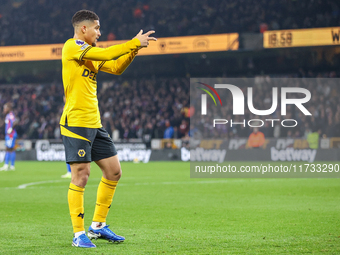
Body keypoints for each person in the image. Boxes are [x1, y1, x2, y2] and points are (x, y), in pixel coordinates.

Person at [60, 10, 156, 248]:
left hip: (95, 123)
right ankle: (78, 234)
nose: (100, 33)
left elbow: (115, 67)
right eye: (97, 28)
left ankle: (98, 226)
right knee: (81, 175)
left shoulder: (90, 54)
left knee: (113, 171)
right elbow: (107, 53)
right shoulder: (72, 47)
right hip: (76, 122)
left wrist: (134, 50)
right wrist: (133, 42)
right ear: (84, 29)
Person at [0, 103, 17, 171]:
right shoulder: (7, 115)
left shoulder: (10, 115)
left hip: (11, 135)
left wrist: (11, 129)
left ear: (9, 108)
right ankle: (11, 165)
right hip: (9, 135)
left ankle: (7, 165)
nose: (4, 109)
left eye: (5, 108)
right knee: (10, 149)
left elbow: (15, 122)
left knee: (8, 149)